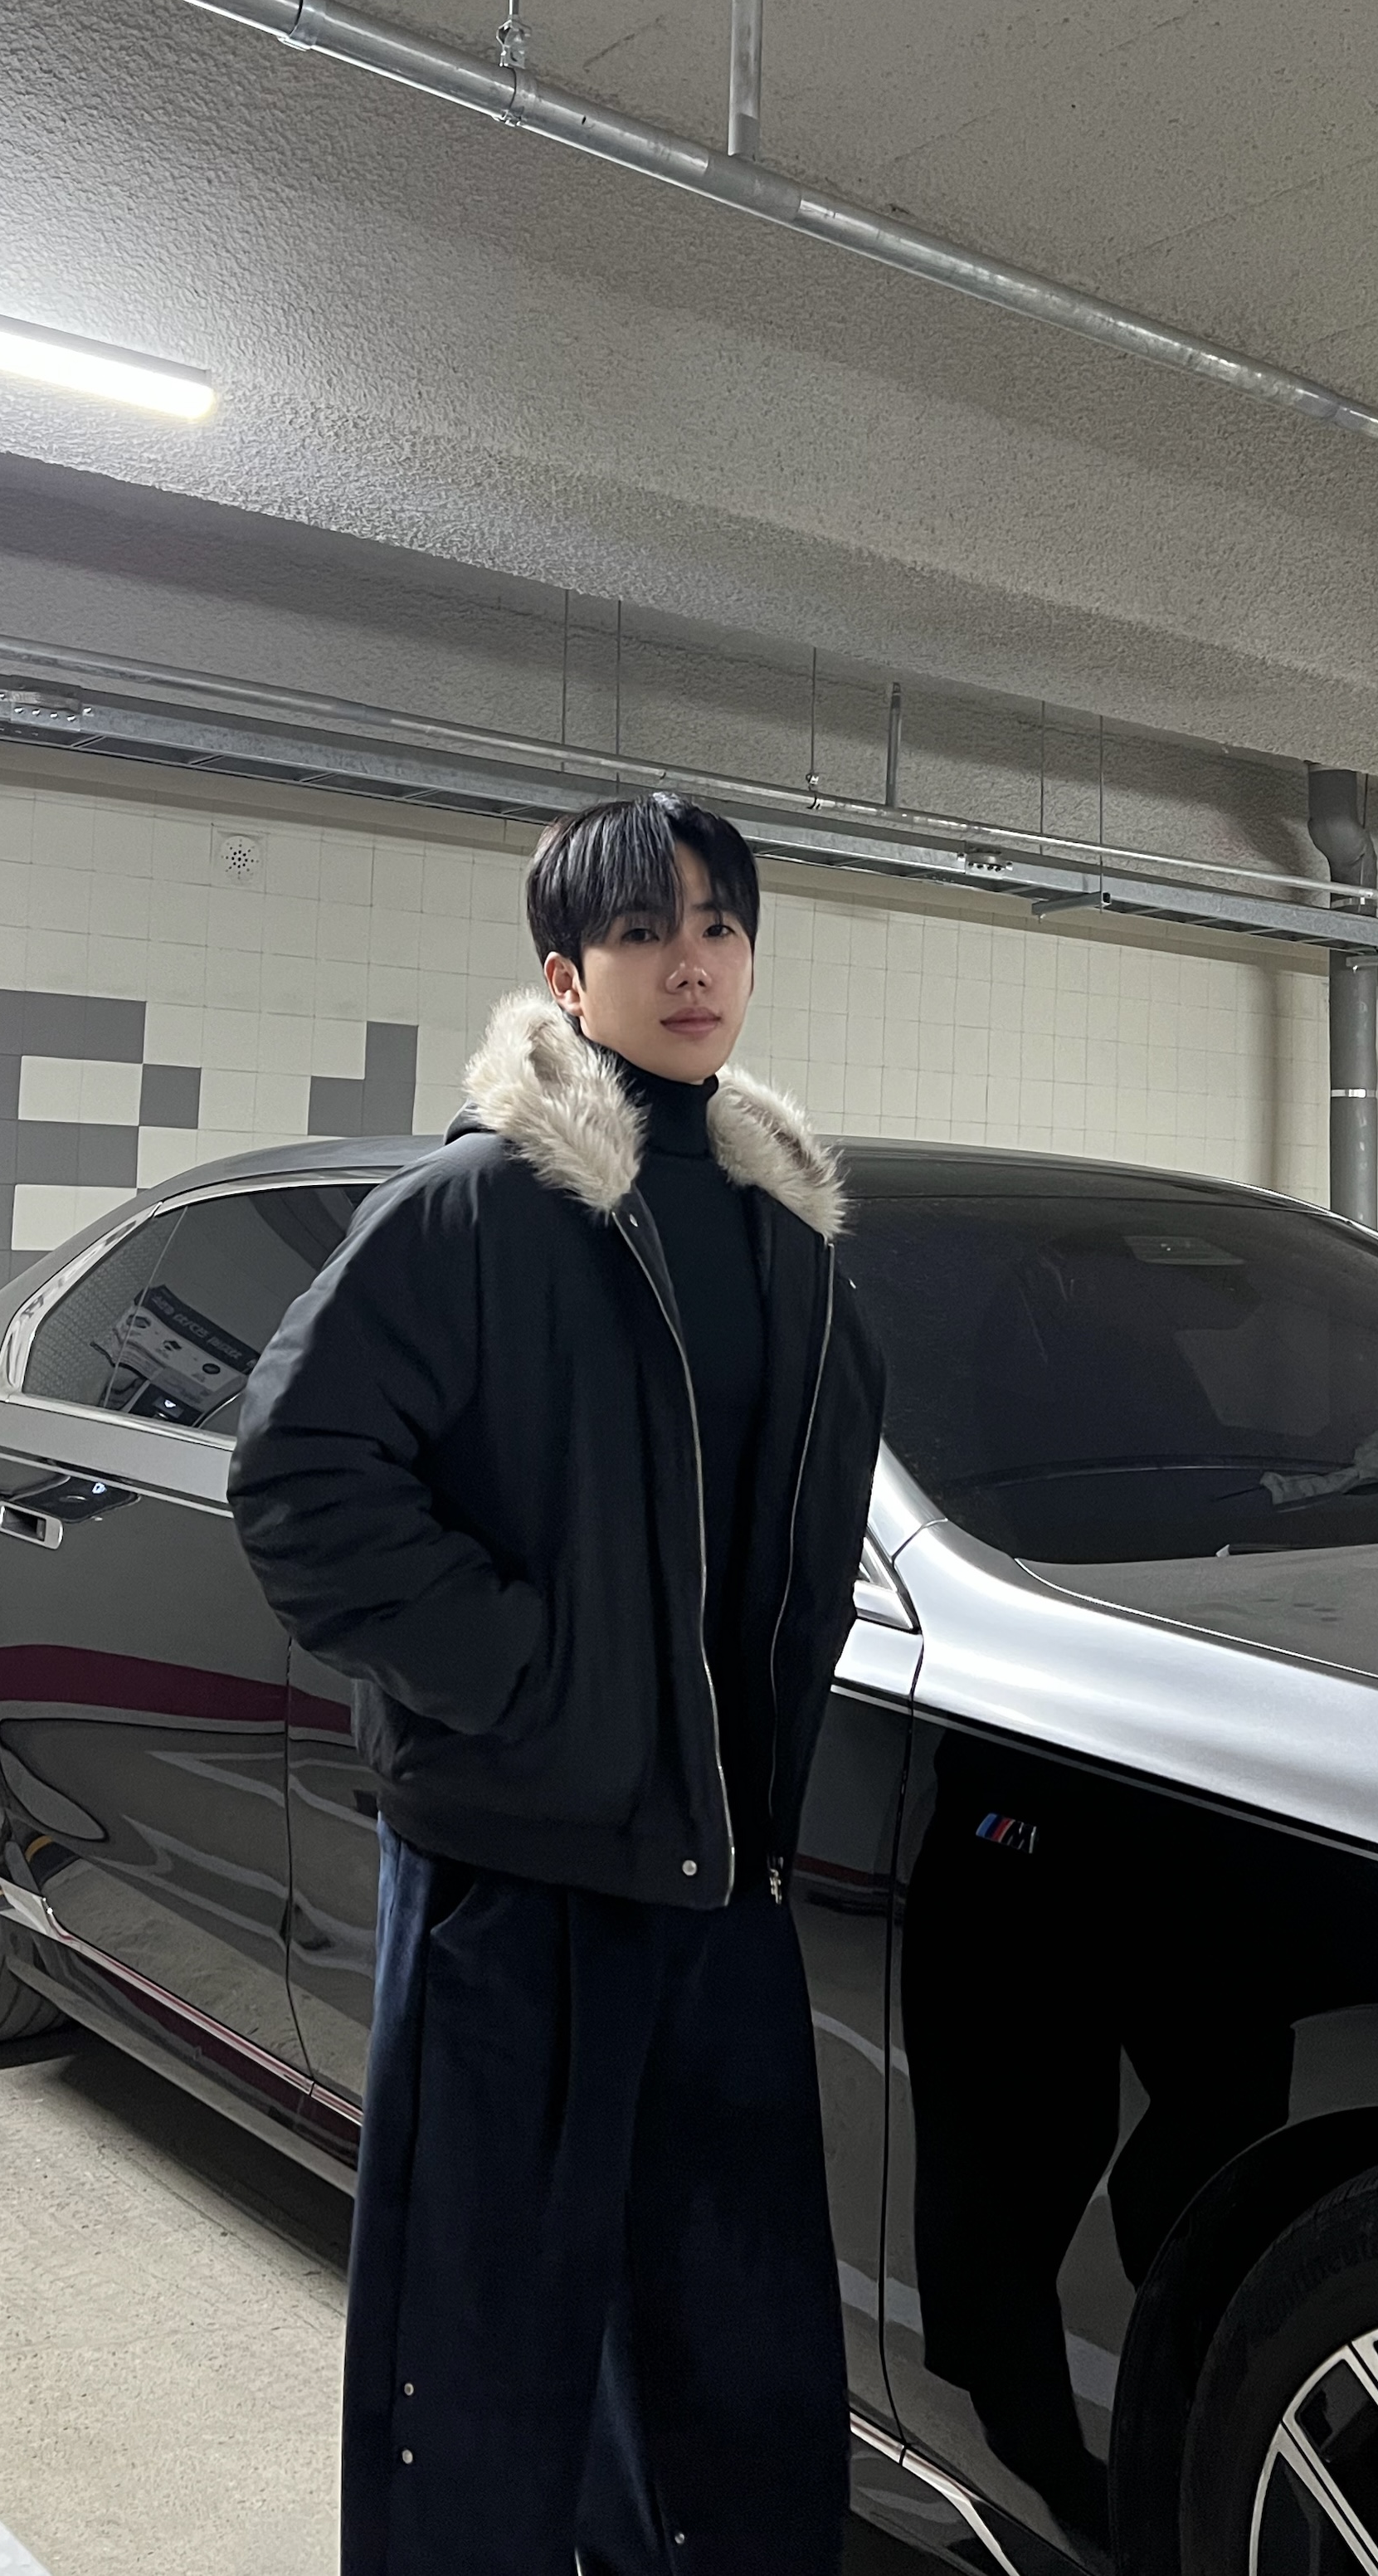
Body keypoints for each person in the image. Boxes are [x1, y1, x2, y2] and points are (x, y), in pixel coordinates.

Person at [229, 790, 884, 2576]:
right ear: (567, 975)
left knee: (734, 2370)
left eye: (722, 925)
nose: (694, 962)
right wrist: (529, 1686)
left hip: (722, 1885)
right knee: (483, 2378)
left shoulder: (792, 1242)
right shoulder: (476, 1214)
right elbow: (299, 1480)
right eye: (645, 929)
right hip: (519, 1886)